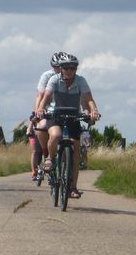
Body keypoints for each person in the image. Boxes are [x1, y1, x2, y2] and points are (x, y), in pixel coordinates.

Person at [36, 53, 100, 199]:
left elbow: (89, 98)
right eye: (66, 67)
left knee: (76, 154)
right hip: (56, 116)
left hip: (73, 117)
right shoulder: (54, 79)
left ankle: (73, 188)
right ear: (61, 68)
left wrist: (94, 111)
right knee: (56, 135)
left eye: (72, 68)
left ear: (76, 69)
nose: (69, 70)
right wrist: (40, 109)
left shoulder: (81, 81)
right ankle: (50, 159)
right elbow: (46, 97)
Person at [34, 52, 65, 164]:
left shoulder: (70, 75)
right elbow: (40, 95)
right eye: (56, 67)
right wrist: (37, 111)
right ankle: (46, 152)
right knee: (41, 127)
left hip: (65, 109)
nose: (59, 69)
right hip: (48, 109)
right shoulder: (47, 76)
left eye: (61, 66)